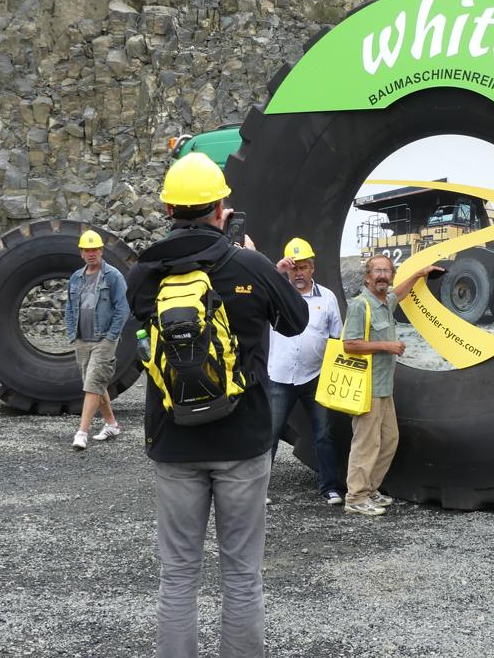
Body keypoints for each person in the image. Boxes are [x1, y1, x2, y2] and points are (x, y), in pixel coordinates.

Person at [126, 152, 308, 658]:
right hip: (243, 440)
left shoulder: (144, 273)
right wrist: (257, 264)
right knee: (242, 576)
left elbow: (138, 334)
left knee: (178, 575)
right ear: (222, 208)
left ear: (168, 208)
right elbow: (295, 321)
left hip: (173, 440)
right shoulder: (247, 264)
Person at [341, 254, 441, 517]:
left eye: (387, 271)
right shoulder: (360, 305)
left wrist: (419, 274)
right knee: (366, 444)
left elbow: (400, 293)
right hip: (368, 388)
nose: (382, 275)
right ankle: (356, 497)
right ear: (367, 276)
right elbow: (349, 344)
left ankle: (370, 490)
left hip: (385, 388)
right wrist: (387, 346)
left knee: (389, 440)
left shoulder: (386, 302)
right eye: (377, 271)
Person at [268, 237, 345, 505]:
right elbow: (255, 290)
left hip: (315, 377)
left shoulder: (328, 298)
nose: (298, 273)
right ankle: (258, 490)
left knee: (324, 434)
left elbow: (336, 337)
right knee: (270, 435)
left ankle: (330, 487)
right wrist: (276, 272)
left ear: (313, 268)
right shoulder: (274, 294)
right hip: (279, 377)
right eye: (293, 268)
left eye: (303, 267)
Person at [64, 229, 129, 450]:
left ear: (101, 251)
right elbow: (70, 307)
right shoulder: (76, 277)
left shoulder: (113, 276)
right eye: (87, 250)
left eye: (95, 249)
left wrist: (111, 337)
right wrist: (72, 334)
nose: (91, 253)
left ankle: (81, 433)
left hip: (104, 339)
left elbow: (123, 308)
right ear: (81, 253)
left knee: (92, 383)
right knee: (96, 383)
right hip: (82, 340)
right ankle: (111, 424)